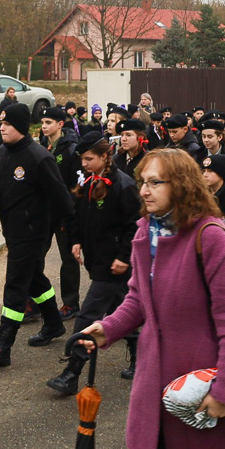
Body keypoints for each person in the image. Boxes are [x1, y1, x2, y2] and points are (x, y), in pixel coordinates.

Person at [79, 148, 225, 449]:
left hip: (201, 384)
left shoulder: (211, 237)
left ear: (181, 185)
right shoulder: (145, 232)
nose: (144, 191)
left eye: (155, 183)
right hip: (155, 379)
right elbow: (138, 298)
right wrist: (107, 328)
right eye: (142, 182)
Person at [0, 103, 74, 369]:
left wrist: (71, 229)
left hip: (33, 233)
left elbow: (62, 197)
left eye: (8, 124)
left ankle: (2, 346)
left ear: (20, 126)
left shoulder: (39, 157)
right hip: (13, 231)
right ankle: (53, 324)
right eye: (1, 123)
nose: (2, 127)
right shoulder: (1, 154)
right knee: (34, 280)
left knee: (15, 284)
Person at [46, 131, 142, 395]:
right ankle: (140, 356)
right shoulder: (89, 183)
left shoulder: (123, 186)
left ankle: (72, 371)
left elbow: (134, 226)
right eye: (82, 159)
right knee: (122, 310)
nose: (84, 164)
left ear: (104, 156)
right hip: (98, 261)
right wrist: (76, 241)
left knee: (88, 315)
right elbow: (77, 217)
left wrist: (124, 257)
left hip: (113, 265)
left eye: (89, 159)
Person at [38, 106, 81, 320]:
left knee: (68, 259)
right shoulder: (42, 146)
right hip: (45, 213)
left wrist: (70, 211)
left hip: (64, 213)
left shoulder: (71, 149)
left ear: (60, 124)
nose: (44, 126)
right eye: (43, 123)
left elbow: (75, 185)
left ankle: (71, 303)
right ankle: (36, 301)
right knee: (36, 256)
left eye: (48, 123)